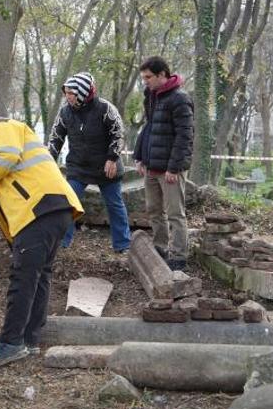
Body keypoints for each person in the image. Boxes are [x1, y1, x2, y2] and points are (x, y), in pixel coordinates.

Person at [0, 103, 84, 367]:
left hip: (38, 210)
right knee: (38, 277)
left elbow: (4, 158)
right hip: (52, 209)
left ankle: (11, 343)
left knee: (24, 277)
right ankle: (29, 340)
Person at [49, 72, 131, 253]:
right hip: (79, 166)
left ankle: (123, 245)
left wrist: (112, 158)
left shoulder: (105, 108)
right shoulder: (65, 112)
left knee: (114, 204)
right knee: (67, 202)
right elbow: (56, 138)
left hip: (106, 165)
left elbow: (118, 133)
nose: (67, 96)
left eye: (71, 92)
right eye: (66, 92)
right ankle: (63, 241)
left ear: (83, 92)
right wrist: (48, 160)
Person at [133, 56, 194, 271]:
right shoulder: (151, 95)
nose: (145, 81)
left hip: (170, 169)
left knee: (176, 213)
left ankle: (179, 257)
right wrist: (140, 157)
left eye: (148, 77)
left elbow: (184, 136)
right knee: (154, 210)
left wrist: (174, 167)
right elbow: (149, 128)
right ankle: (160, 249)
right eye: (143, 78)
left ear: (162, 75)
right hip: (151, 165)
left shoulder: (180, 99)